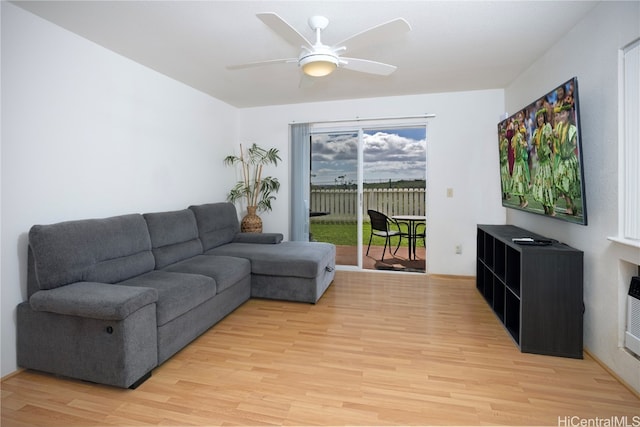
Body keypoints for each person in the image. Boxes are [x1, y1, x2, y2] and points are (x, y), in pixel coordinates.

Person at [553, 102, 580, 215]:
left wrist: (574, 140)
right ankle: (570, 206)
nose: (561, 116)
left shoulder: (572, 128)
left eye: (563, 113)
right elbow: (556, 139)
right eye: (560, 114)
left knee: (568, 184)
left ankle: (571, 207)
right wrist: (554, 136)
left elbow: (574, 142)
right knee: (562, 183)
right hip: (562, 160)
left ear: (568, 114)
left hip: (569, 160)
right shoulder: (559, 126)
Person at [531, 108, 556, 215]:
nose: (540, 119)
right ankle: (545, 208)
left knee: (547, 186)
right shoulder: (536, 131)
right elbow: (534, 144)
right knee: (539, 187)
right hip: (540, 164)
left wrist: (549, 140)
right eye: (538, 118)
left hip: (546, 163)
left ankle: (551, 210)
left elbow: (549, 140)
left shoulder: (547, 127)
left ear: (544, 117)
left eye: (541, 117)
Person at [509, 117, 530, 208]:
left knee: (519, 182)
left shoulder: (519, 136)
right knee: (516, 182)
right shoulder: (513, 138)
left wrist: (524, 145)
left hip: (520, 162)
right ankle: (521, 201)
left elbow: (524, 144)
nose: (516, 126)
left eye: (517, 124)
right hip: (516, 162)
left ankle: (524, 200)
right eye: (515, 125)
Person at [499, 126, 512, 200]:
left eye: (504, 133)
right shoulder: (500, 142)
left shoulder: (505, 141)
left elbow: (506, 150)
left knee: (506, 178)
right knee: (503, 179)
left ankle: (507, 193)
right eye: (502, 133)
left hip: (505, 161)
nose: (503, 134)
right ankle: (504, 193)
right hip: (501, 162)